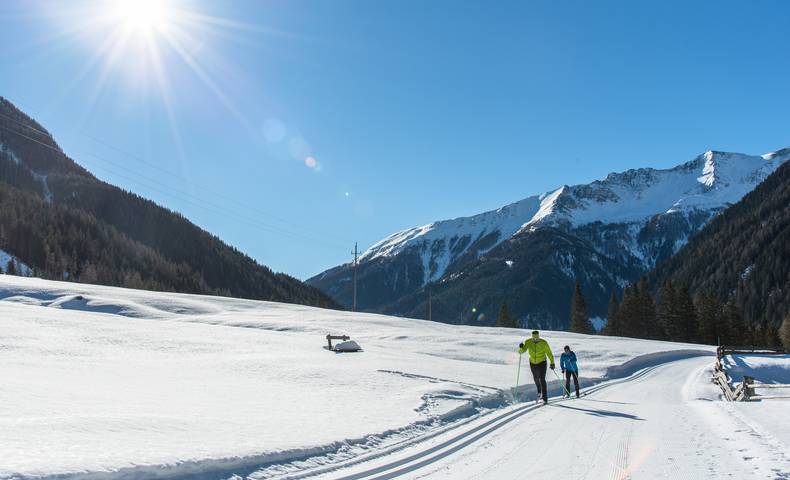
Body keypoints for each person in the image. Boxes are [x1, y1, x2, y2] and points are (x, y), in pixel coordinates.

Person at [518, 330, 555, 404]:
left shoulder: (543, 342)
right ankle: (539, 392)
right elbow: (521, 352)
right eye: (534, 339)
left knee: (542, 379)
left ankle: (545, 398)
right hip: (532, 362)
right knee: (535, 378)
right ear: (532, 338)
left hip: (542, 362)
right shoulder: (528, 342)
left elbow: (549, 353)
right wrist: (521, 348)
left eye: (537, 340)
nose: (535, 341)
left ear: (538, 337)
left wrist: (552, 362)